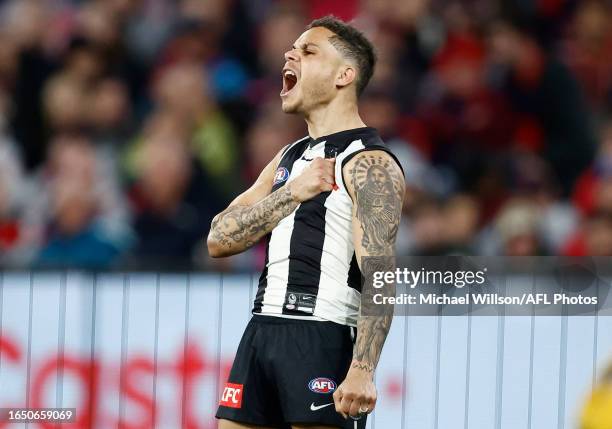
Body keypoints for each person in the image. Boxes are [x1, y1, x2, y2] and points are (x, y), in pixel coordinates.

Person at [207, 15, 405, 429]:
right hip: (261, 331)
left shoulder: (369, 162)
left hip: (322, 335)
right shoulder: (289, 158)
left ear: (344, 75)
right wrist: (291, 193)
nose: (290, 54)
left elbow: (381, 275)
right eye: (292, 48)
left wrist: (363, 369)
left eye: (309, 50)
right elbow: (219, 238)